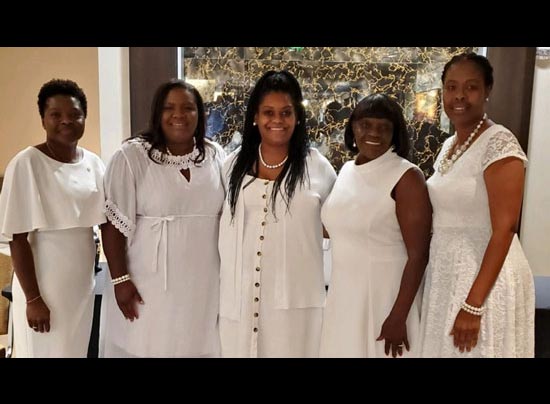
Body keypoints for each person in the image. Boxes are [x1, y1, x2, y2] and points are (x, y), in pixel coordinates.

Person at [419, 52, 535, 357]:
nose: (459, 95)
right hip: (447, 270)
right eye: (451, 87)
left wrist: (473, 304)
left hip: (483, 276)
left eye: (470, 87)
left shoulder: (499, 142)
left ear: (487, 91)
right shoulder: (448, 146)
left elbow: (505, 228)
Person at [99, 79, 225, 357]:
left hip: (202, 284)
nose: (178, 115)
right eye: (169, 108)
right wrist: (120, 280)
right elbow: (111, 224)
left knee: (196, 346)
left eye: (188, 108)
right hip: (147, 284)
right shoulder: (132, 156)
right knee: (147, 345)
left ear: (200, 114)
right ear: (157, 113)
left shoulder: (214, 156)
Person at [218, 70, 337, 357]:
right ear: (255, 117)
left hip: (296, 308)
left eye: (286, 112)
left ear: (297, 117)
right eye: (268, 112)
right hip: (240, 302)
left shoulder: (317, 168)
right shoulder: (232, 166)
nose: (277, 121)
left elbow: (337, 226)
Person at [319, 94, 432, 358]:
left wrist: (398, 316)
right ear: (352, 128)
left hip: (386, 299)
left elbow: (418, 255)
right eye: (366, 125)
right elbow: (339, 225)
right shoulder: (347, 170)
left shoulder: (406, 177)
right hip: (343, 296)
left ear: (396, 133)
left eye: (384, 127)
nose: (374, 133)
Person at [0, 79, 106, 357]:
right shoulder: (26, 164)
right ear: (43, 120)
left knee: (73, 349)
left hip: (80, 283)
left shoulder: (93, 164)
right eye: (55, 115)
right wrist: (34, 300)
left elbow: (104, 221)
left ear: (84, 118)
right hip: (43, 282)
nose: (66, 121)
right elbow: (17, 238)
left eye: (74, 114)